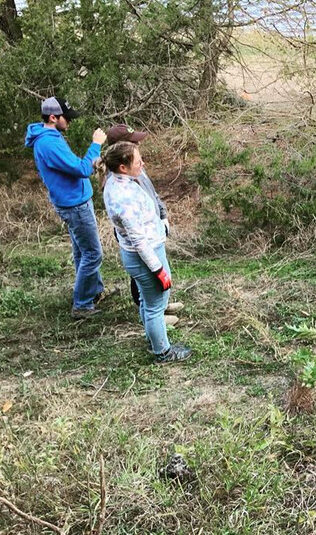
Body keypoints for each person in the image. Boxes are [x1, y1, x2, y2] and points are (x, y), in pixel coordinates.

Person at [101, 141, 192, 363]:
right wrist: (158, 269)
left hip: (142, 253)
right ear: (123, 167)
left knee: (146, 300)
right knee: (155, 305)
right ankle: (162, 351)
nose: (142, 162)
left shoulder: (119, 181)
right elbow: (139, 240)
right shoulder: (124, 198)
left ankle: (153, 339)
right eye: (137, 159)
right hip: (145, 255)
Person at [25, 97, 114, 319]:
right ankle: (82, 305)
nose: (70, 122)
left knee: (82, 252)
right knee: (93, 254)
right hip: (75, 205)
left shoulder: (51, 137)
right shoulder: (49, 143)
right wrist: (96, 145)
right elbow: (83, 169)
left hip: (74, 201)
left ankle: (94, 291)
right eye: (67, 118)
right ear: (53, 117)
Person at [103, 124, 182, 326]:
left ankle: (159, 307)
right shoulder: (121, 182)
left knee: (153, 280)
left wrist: (162, 215)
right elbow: (136, 237)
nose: (138, 143)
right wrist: (157, 269)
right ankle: (154, 316)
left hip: (149, 231)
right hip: (140, 237)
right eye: (133, 141)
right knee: (144, 277)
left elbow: (152, 193)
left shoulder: (134, 167)